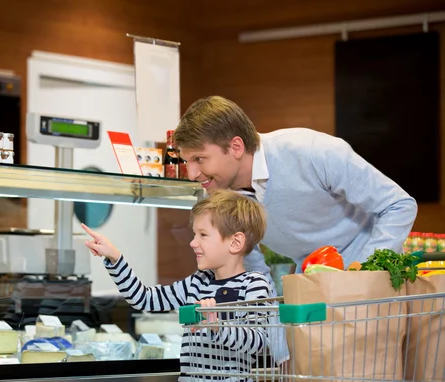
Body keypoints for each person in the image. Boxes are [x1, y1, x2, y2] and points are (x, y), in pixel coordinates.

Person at [173, 95, 418, 281]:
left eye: (200, 159)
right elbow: (252, 267)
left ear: (236, 147)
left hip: (371, 282)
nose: (192, 174)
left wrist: (364, 274)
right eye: (187, 161)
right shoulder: (222, 195)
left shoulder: (313, 151)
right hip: (311, 285)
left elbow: (398, 205)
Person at [82, 189, 272, 382]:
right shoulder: (197, 282)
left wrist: (218, 326)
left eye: (203, 235)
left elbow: (259, 342)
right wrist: (115, 258)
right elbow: (144, 299)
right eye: (194, 234)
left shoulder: (253, 284)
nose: (193, 242)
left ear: (235, 242)